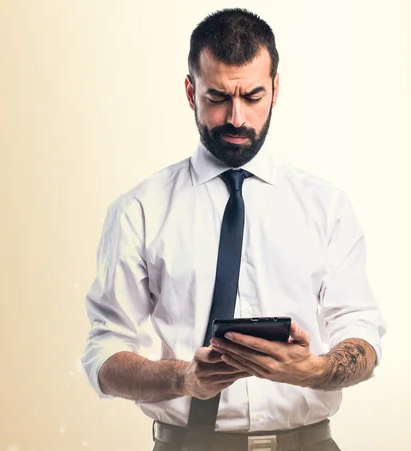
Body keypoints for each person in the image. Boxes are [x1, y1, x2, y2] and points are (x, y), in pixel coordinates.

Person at [81, 8, 387, 451]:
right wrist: (184, 379)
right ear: (191, 92)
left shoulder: (326, 206)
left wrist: (311, 370)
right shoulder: (139, 210)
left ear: (276, 89)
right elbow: (103, 355)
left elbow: (363, 333)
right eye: (218, 97)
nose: (237, 118)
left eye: (253, 96)